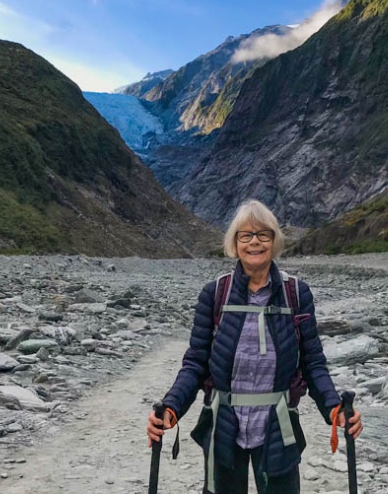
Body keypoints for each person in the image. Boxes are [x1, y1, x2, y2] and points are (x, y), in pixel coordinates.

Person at [146, 199, 363, 494]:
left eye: (263, 234)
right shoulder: (215, 294)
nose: (254, 242)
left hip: (278, 424)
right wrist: (171, 407)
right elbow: (196, 362)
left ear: (274, 241)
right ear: (235, 243)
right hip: (224, 423)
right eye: (245, 235)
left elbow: (312, 362)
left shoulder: (296, 293)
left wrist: (334, 408)